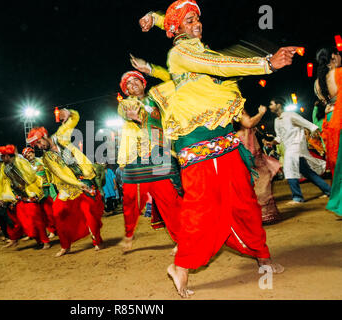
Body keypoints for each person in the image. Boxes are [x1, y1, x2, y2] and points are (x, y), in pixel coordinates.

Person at [139, 0, 293, 297]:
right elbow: (218, 62)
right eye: (189, 20)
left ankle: (263, 257)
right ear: (177, 29)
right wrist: (266, 63)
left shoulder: (192, 47)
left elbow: (177, 28)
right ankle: (181, 266)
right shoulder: (182, 51)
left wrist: (154, 18)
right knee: (203, 203)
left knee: (244, 198)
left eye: (198, 18)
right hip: (198, 139)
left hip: (222, 135)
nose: (197, 23)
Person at [117, 69, 183, 253]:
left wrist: (151, 68)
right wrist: (132, 116)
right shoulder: (127, 103)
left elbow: (173, 81)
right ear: (127, 91)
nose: (132, 85)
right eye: (128, 85)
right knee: (131, 200)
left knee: (168, 198)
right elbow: (123, 110)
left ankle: (181, 239)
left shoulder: (156, 98)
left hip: (158, 153)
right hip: (134, 158)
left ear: (143, 82)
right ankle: (129, 235)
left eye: (135, 81)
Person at [27, 108, 104, 257]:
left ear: (44, 136)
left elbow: (73, 119)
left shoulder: (61, 136)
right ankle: (65, 245)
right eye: (35, 145)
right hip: (68, 187)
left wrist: (69, 113)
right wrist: (78, 185)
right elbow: (61, 175)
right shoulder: (47, 158)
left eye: (38, 143)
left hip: (85, 178)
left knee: (89, 212)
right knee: (58, 212)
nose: (38, 146)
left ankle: (97, 240)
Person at [265, 97, 331, 204]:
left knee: (289, 168)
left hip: (296, 146)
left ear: (279, 105)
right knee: (307, 172)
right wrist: (271, 143)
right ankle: (329, 190)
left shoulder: (290, 115)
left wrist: (316, 132)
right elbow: (279, 138)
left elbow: (307, 124)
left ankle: (297, 197)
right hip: (289, 148)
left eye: (271, 104)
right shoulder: (276, 121)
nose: (270, 107)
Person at [0, 144, 51, 250]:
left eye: (3, 156)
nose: (1, 158)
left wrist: (26, 185)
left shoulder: (20, 161)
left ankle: (45, 241)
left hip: (31, 193)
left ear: (7, 156)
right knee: (24, 221)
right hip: (20, 196)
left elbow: (31, 176)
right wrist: (1, 196)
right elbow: (2, 182)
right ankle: (37, 240)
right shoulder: (3, 166)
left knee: (37, 220)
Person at [235, 106, 282, 224]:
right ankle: (265, 215)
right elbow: (249, 123)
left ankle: (253, 215)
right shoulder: (236, 107)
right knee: (262, 181)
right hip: (250, 152)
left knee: (250, 183)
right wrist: (261, 113)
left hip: (242, 150)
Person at [314, 46, 342, 215]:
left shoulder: (318, 82)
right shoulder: (338, 73)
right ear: (333, 55)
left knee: (337, 163)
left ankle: (337, 200)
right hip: (340, 117)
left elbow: (326, 103)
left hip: (330, 119)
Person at [22, 146, 57, 239]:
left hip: (47, 188)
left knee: (50, 211)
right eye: (26, 155)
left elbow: (50, 171)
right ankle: (50, 230)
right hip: (36, 192)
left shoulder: (41, 160)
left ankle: (54, 230)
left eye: (29, 153)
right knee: (43, 213)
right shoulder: (26, 167)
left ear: (33, 152)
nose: (28, 155)